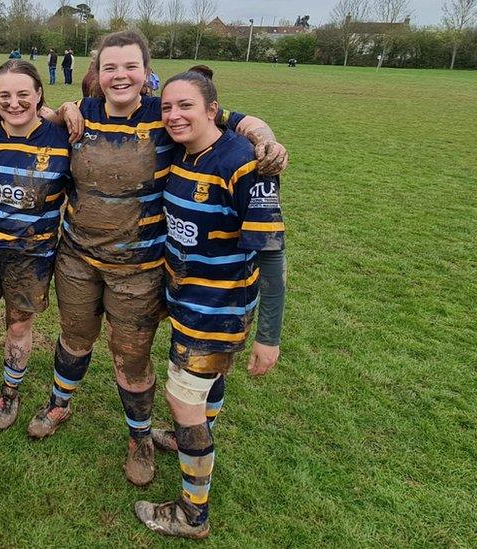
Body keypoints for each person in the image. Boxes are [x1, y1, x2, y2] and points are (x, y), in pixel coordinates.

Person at [41, 30, 288, 487]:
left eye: (130, 66)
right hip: (76, 257)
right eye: (110, 67)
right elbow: (37, 112)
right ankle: (58, 404)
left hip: (139, 267)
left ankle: (139, 439)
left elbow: (234, 121)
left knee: (130, 356)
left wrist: (266, 138)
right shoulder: (81, 115)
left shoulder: (167, 114)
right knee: (74, 337)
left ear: (145, 71)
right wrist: (63, 108)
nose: (120, 76)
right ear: (97, 72)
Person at [134, 68, 286, 540]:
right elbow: (227, 114)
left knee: (182, 401)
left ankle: (191, 514)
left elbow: (274, 259)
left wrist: (269, 337)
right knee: (206, 384)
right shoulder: (182, 148)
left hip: (218, 307)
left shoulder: (246, 166)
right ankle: (188, 436)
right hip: (184, 296)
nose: (175, 115)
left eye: (187, 107)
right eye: (168, 107)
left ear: (212, 111)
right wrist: (253, 121)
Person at [0, 59, 71, 434]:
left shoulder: (63, 138)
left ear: (39, 94)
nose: (15, 103)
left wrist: (65, 111)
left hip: (32, 257)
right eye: (5, 95)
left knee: (18, 329)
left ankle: (9, 392)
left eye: (23, 94)